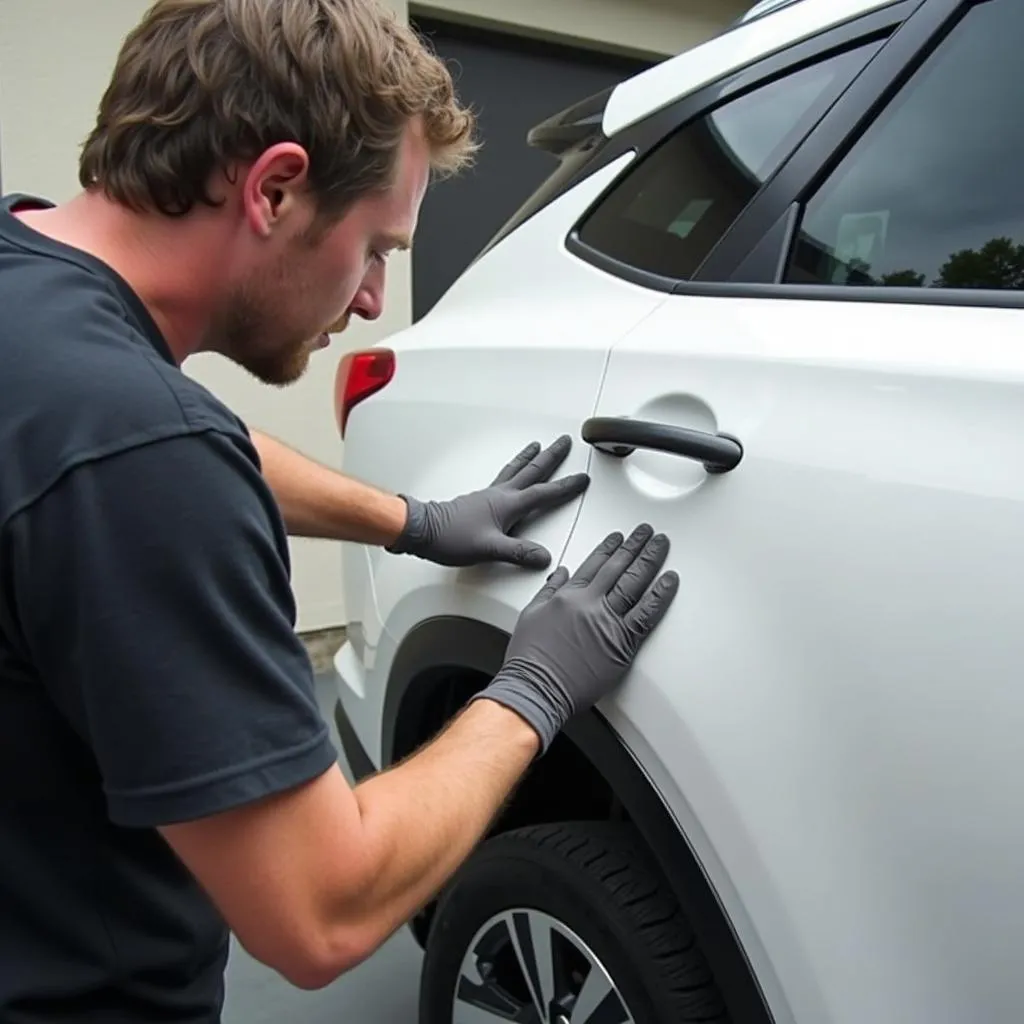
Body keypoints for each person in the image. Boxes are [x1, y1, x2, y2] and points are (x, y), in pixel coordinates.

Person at [0, 0, 680, 1020]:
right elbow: (318, 910)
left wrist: (414, 521)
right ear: (274, 188)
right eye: (375, 249)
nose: (371, 300)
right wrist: (533, 690)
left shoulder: (31, 283)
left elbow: (143, 450)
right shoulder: (139, 450)